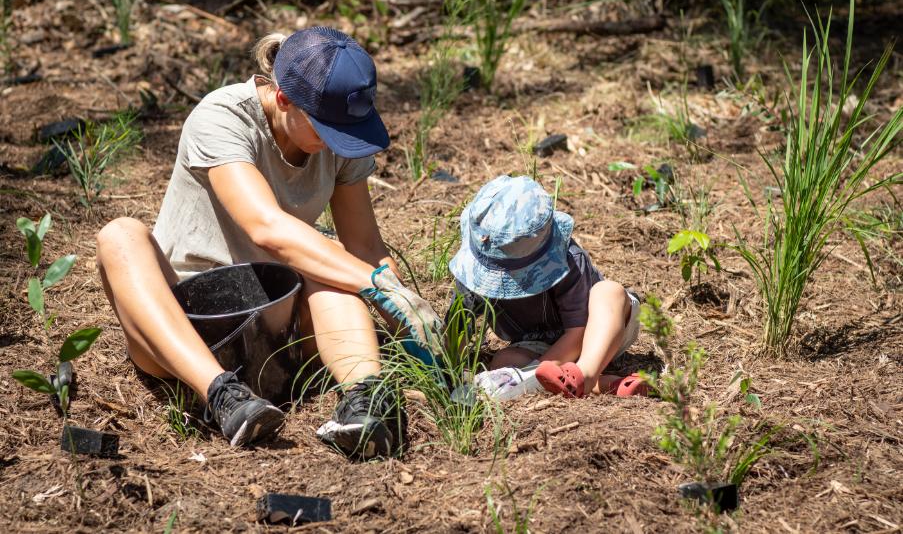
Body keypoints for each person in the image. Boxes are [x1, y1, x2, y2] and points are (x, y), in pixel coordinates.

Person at [95, 26, 443, 458]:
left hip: (279, 324)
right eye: (327, 129)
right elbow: (266, 226)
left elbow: (365, 248)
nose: (337, 143)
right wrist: (376, 285)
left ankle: (368, 402)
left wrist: (411, 315)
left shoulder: (337, 143)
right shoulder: (222, 117)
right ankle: (222, 396)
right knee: (120, 235)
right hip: (187, 331)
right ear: (283, 100)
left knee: (331, 262)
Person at [448, 175, 647, 400]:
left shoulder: (569, 259)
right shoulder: (474, 271)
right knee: (503, 361)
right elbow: (459, 326)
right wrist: (450, 368)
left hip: (598, 331)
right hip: (538, 344)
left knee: (608, 291)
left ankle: (588, 374)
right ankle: (604, 385)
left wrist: (536, 371)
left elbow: (579, 330)